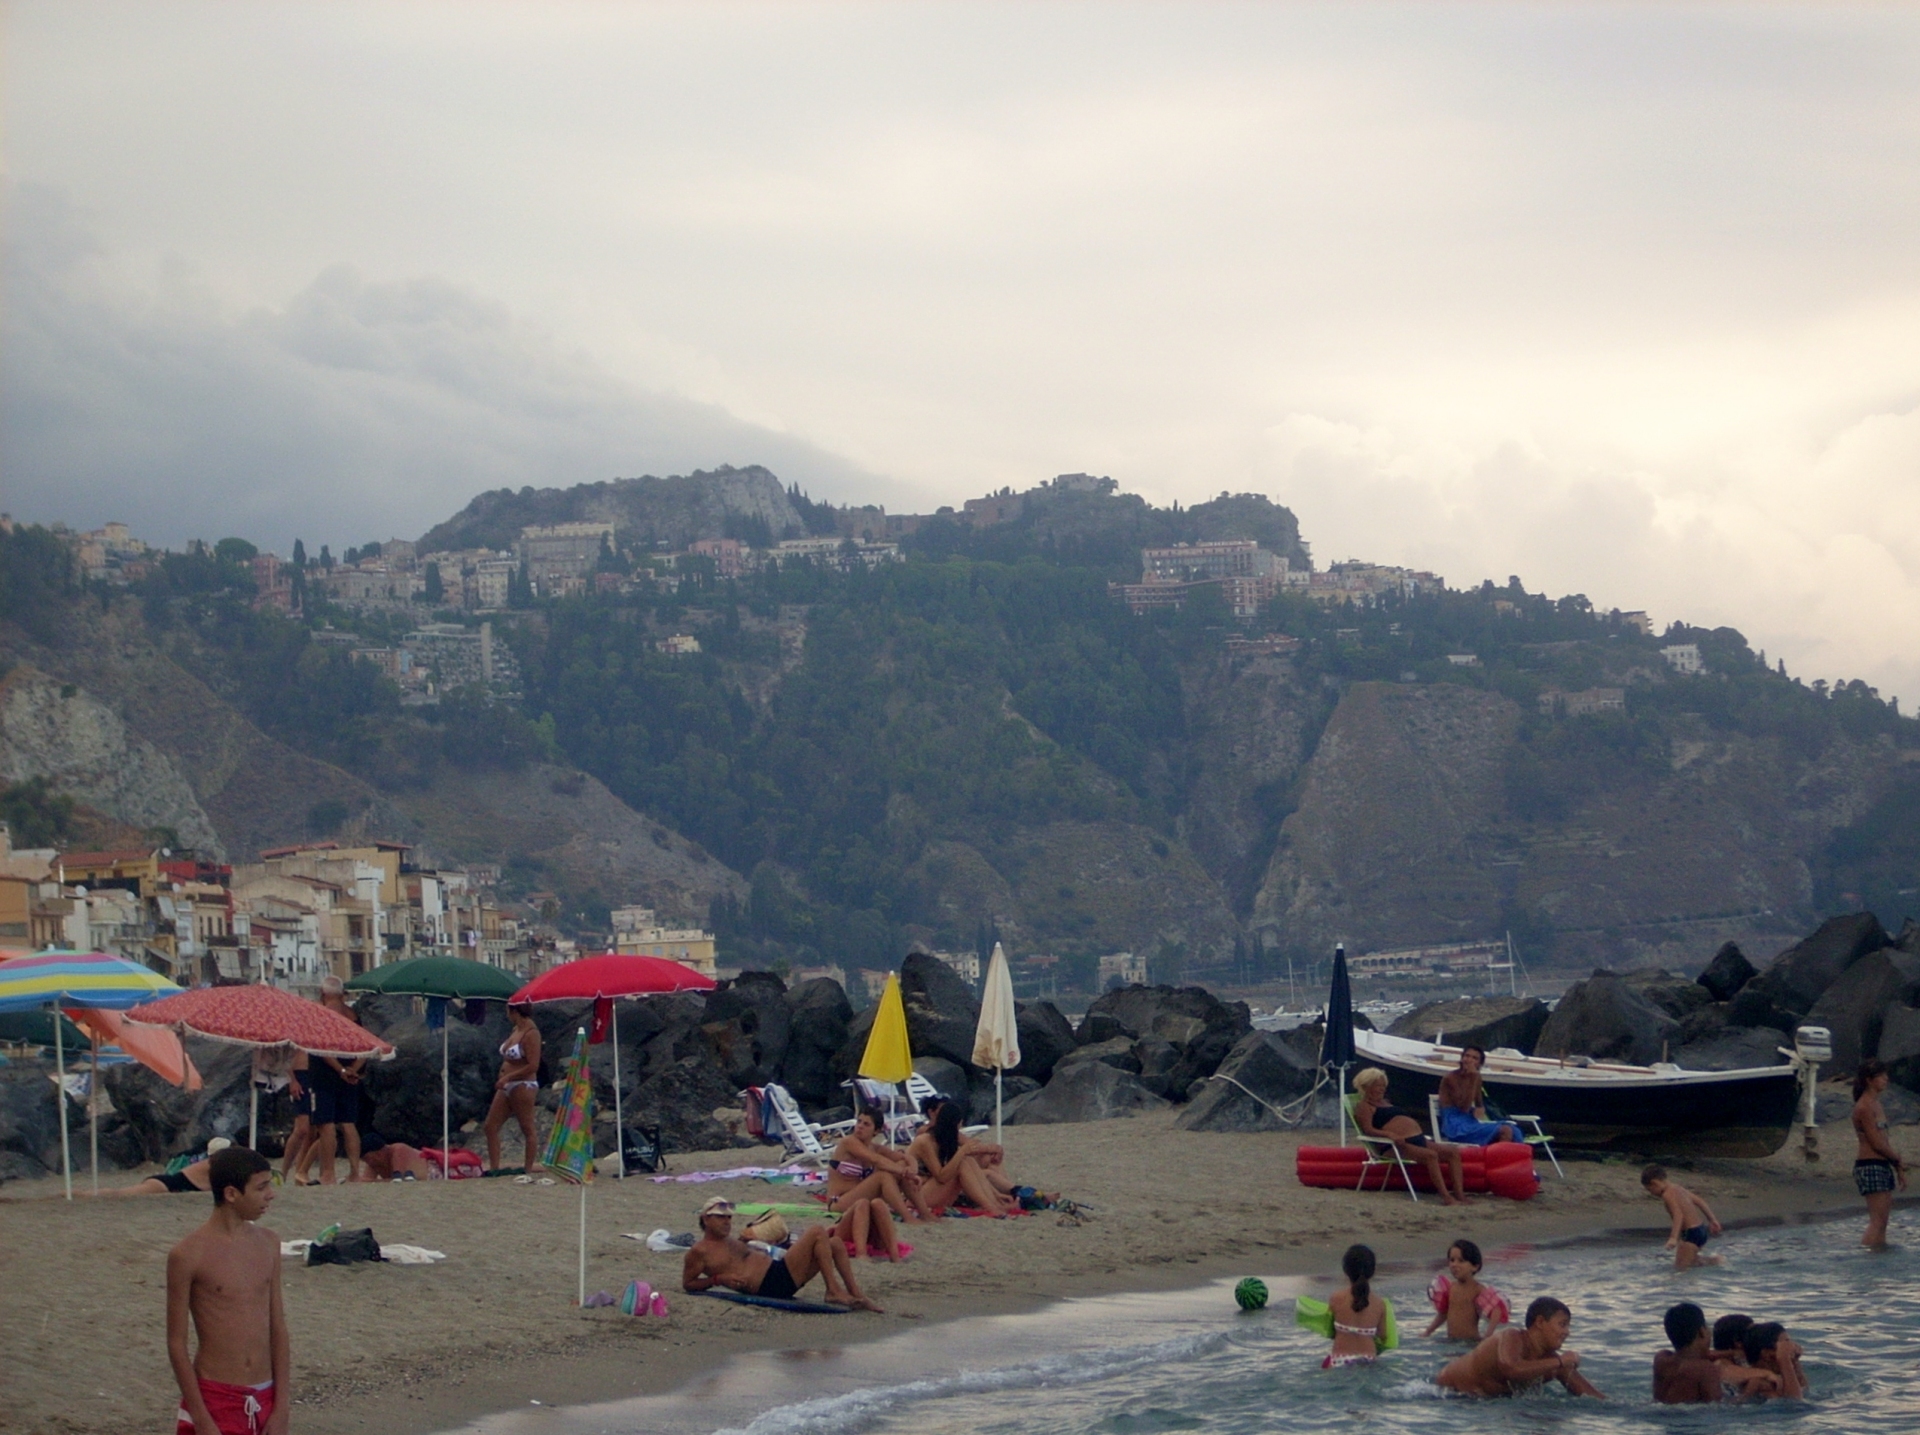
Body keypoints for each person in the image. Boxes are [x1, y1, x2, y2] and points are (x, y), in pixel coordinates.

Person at [165, 1146, 290, 1435]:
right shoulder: (188, 1255)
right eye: (261, 1187)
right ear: (231, 1194)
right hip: (215, 1394)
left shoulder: (269, 1243)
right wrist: (202, 1418)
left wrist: (282, 1406)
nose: (271, 1194)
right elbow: (176, 1343)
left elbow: (278, 1328)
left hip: (266, 1393)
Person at [681, 1196, 882, 1311]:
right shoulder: (699, 1251)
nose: (726, 1222)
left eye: (728, 1218)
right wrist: (717, 1279)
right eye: (720, 1218)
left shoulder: (730, 1240)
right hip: (769, 1284)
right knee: (816, 1231)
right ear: (706, 1219)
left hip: (779, 1271)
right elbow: (688, 1284)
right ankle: (832, 1291)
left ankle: (856, 1295)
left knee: (836, 1243)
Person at [1435, 1296, 1604, 1398]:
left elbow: (1594, 1398)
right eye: (1562, 1325)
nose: (1567, 1332)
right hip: (1448, 1392)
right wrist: (1560, 1361)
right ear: (1539, 1322)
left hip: (1487, 1403)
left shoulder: (1552, 1362)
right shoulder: (1512, 1336)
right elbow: (1511, 1368)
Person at [1353, 1068, 1467, 1205]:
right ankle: (1446, 1197)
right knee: (1430, 1156)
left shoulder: (1385, 1102)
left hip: (1416, 1139)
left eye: (1383, 1085)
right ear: (1366, 1086)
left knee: (1453, 1152)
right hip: (1394, 1145)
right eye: (1378, 1085)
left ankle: (1460, 1195)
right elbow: (1368, 1130)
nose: (1382, 1089)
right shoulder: (1364, 1106)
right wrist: (1389, 1134)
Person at [1653, 1302, 1778, 1403]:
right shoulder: (1705, 1369)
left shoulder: (1661, 1359)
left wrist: (1731, 1353)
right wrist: (1750, 1391)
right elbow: (1719, 1409)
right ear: (1702, 1332)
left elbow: (1689, 1356)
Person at [308, 977, 366, 1185]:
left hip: (325, 1074)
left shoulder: (321, 1014)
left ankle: (328, 1173)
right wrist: (352, 1069)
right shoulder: (353, 1016)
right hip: (351, 1075)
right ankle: (354, 1172)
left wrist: (340, 1069)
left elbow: (320, 1048)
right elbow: (365, 1047)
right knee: (349, 1123)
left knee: (326, 1125)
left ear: (323, 994)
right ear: (342, 994)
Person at [904, 1100, 1010, 1215]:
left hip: (928, 1191)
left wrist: (996, 1195)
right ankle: (989, 1207)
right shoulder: (925, 1141)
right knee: (962, 1163)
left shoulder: (944, 1138)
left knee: (967, 1160)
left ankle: (995, 1204)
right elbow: (941, 1177)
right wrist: (962, 1151)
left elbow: (976, 1149)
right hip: (914, 1198)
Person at [826, 1107, 928, 1222]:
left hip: (863, 1199)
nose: (860, 1126)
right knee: (883, 1176)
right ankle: (908, 1217)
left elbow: (906, 1157)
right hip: (838, 1201)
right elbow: (876, 1160)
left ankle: (926, 1214)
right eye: (859, 1122)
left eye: (866, 1124)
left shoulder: (874, 1148)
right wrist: (907, 1173)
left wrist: (912, 1169)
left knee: (901, 1164)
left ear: (876, 1131)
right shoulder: (848, 1142)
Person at [1852, 1058, 1908, 1248]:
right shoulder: (1863, 1106)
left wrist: (1897, 1166)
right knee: (1877, 1221)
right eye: (1881, 1076)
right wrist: (1897, 1157)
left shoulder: (1877, 1104)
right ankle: (1868, 1257)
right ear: (1869, 1080)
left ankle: (1879, 1257)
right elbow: (1876, 1142)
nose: (1886, 1079)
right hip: (1870, 1165)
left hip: (1882, 1164)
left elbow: (1884, 1139)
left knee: (1883, 1222)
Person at [484, 1002, 543, 1175]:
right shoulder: (515, 1030)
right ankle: (494, 1168)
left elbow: (533, 1065)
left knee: (527, 1127)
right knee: (490, 1126)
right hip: (506, 1085)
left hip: (523, 1084)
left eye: (508, 1012)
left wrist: (509, 1076)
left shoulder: (531, 1033)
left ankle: (528, 1168)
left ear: (515, 1011)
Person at [1422, 1238, 1508, 1340]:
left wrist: (1488, 1335)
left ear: (1475, 1267)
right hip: (1451, 1341)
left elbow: (1496, 1310)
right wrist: (1428, 1331)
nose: (1454, 1265)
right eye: (1452, 1260)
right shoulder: (1450, 1288)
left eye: (1461, 1261)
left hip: (1471, 1342)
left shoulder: (1477, 1289)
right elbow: (1443, 1313)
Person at [1641, 1166, 1723, 1268]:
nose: (1651, 1193)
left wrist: (1673, 1238)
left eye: (1649, 1190)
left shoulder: (1667, 1194)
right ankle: (1714, 1261)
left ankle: (1716, 1261)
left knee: (1680, 1268)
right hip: (1701, 1230)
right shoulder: (1678, 1188)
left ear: (1655, 1183)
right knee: (1692, 1262)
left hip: (1690, 1234)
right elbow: (1700, 1201)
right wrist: (1712, 1220)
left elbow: (1678, 1215)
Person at [1435, 1046, 1518, 1146]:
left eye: (1474, 1058)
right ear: (1462, 1058)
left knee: (1514, 1129)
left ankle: (1513, 1157)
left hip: (1470, 1120)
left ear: (1480, 1063)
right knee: (1505, 1130)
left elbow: (1479, 1102)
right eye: (1467, 1056)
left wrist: (1480, 1109)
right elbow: (1464, 1107)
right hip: (1455, 1125)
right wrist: (1473, 1078)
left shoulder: (1476, 1077)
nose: (1469, 1060)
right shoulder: (1451, 1077)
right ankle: (1501, 1158)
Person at [1324, 1244, 1391, 1368]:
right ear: (1372, 1271)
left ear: (1346, 1270)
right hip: (1368, 1361)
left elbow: (1330, 1332)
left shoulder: (1336, 1298)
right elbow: (1383, 1336)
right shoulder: (1380, 1304)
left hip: (1340, 1361)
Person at [106, 1138, 234, 1197]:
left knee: (119, 1193)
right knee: (119, 1193)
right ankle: (86, 1195)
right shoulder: (213, 1166)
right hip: (165, 1185)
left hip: (167, 1183)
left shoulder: (212, 1164)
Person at [1740, 1321, 1807, 1400]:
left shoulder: (1776, 1377)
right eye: (1785, 1346)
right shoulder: (1759, 1382)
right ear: (1766, 1353)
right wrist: (1784, 1359)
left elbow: (1804, 1389)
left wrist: (1795, 1362)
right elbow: (1794, 1402)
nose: (1791, 1348)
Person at [278, 1050, 313, 1187]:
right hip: (300, 1073)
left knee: (313, 1129)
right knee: (302, 1129)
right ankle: (284, 1172)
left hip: (315, 1073)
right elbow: (285, 1055)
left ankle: (300, 1171)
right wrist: (292, 1079)